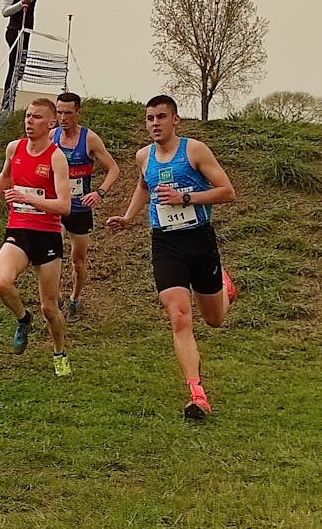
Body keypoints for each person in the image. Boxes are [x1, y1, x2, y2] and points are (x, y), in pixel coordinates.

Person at [106, 95, 238, 420]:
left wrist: (186, 197)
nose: (155, 124)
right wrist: (127, 217)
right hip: (165, 244)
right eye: (150, 118)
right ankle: (196, 393)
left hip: (199, 240)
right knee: (179, 316)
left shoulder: (194, 150)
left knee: (215, 319)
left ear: (175, 119)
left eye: (161, 117)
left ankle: (224, 288)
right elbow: (144, 186)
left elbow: (227, 191)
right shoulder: (143, 156)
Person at [0, 98, 72, 376]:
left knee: (50, 307)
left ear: (51, 123)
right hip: (18, 229)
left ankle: (59, 353)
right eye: (28, 116)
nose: (30, 121)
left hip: (47, 235)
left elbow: (64, 206)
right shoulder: (14, 148)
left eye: (37, 117)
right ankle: (22, 318)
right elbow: (5, 176)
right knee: (1, 283)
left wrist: (27, 197)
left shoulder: (56, 157)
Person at [52, 92, 121, 321]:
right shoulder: (51, 137)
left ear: (78, 113)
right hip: (56, 206)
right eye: (59, 112)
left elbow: (113, 169)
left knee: (77, 260)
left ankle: (75, 298)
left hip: (80, 208)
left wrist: (99, 192)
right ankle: (57, 295)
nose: (63, 117)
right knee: (52, 253)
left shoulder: (89, 139)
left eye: (68, 113)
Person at [0, 0, 38, 109]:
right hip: (15, 31)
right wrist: (22, 2)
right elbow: (5, 12)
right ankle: (6, 105)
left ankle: (10, 99)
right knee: (14, 68)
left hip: (25, 32)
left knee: (19, 69)